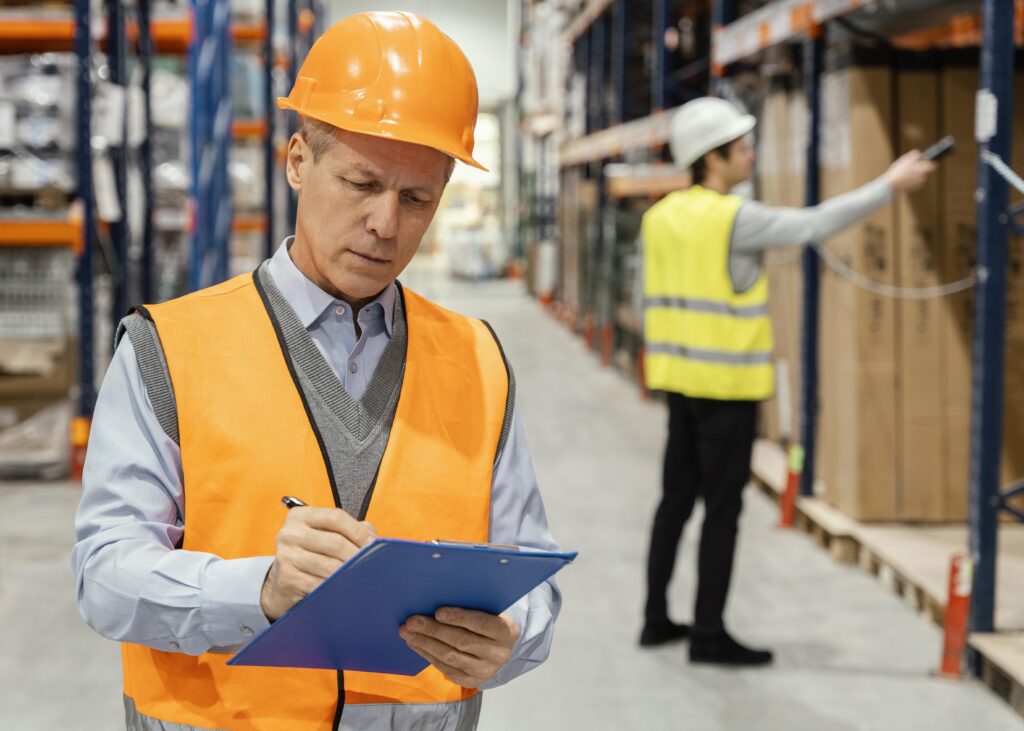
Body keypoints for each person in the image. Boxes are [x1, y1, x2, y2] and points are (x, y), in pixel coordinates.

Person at [72, 12, 562, 730]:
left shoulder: (478, 358)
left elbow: (530, 573)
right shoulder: (169, 348)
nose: (386, 224)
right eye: (361, 182)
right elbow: (104, 575)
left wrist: (512, 635)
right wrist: (262, 588)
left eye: (417, 197)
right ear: (298, 159)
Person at [637, 96, 935, 665]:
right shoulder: (734, 219)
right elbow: (814, 225)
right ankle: (707, 634)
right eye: (741, 147)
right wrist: (889, 185)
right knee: (722, 511)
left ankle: (656, 618)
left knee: (675, 502)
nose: (751, 154)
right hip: (726, 393)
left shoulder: (661, 217)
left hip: (678, 387)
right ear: (712, 158)